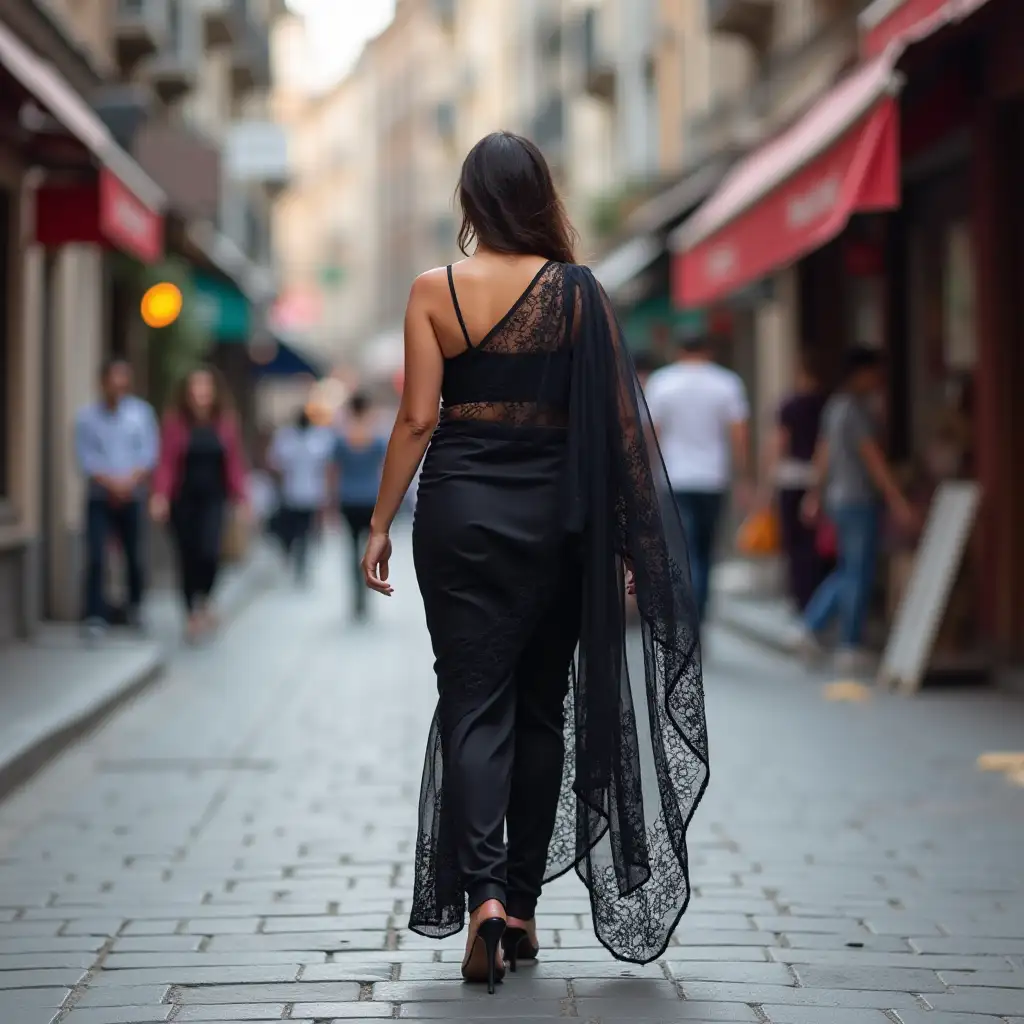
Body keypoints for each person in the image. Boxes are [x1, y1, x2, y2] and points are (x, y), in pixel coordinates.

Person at [359, 131, 707, 989]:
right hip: (562, 522)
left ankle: (479, 896)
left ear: (472, 203)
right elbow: (622, 428)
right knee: (544, 709)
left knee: (472, 700)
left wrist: (376, 524)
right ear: (542, 196)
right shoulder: (583, 295)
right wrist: (630, 542)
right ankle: (519, 907)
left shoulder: (433, 291)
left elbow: (413, 420)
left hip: (461, 517)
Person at [798, 346, 916, 670]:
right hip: (858, 498)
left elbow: (822, 453)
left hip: (838, 497)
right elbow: (873, 459)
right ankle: (849, 643)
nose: (879, 380)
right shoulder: (856, 409)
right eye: (875, 373)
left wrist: (815, 493)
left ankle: (812, 625)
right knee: (858, 571)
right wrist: (897, 499)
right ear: (862, 373)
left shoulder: (835, 406)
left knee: (849, 569)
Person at [644, 333, 752, 625]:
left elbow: (651, 433)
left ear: (679, 350)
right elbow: (739, 435)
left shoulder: (662, 382)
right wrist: (741, 477)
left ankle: (684, 614)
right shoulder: (727, 382)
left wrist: (648, 473)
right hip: (712, 478)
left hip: (674, 478)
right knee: (705, 550)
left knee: (680, 549)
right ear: (708, 350)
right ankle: (698, 613)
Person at [150, 366, 248, 643]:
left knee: (209, 552)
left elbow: (234, 464)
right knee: (186, 557)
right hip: (183, 501)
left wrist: (241, 497)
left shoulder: (225, 423)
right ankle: (191, 612)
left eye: (206, 387)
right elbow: (166, 462)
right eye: (196, 387)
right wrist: (160, 495)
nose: (201, 393)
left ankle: (205, 597)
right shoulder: (175, 423)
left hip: (213, 499)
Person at [75, 358, 159, 641]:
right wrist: (111, 483)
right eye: (113, 379)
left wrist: (128, 482)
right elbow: (86, 459)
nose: (118, 385)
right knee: (96, 555)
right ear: (103, 382)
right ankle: (95, 614)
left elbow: (148, 454)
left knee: (134, 555)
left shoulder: (141, 414)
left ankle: (134, 607)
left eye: (123, 379)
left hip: (132, 496)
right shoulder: (86, 418)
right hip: (100, 497)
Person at [764, 354, 828, 612]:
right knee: (817, 544)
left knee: (794, 543)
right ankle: (815, 596)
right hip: (818, 478)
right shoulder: (826, 404)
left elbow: (779, 442)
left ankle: (801, 599)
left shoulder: (790, 405)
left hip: (791, 477)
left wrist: (767, 482)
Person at [331, 392, 387, 620]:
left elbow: (332, 472)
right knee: (370, 549)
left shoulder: (341, 438)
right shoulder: (377, 438)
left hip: (348, 498)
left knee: (351, 548)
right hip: (371, 499)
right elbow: (385, 471)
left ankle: (356, 594)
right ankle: (367, 589)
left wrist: (330, 501)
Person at [269, 409, 334, 585]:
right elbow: (275, 464)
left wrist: (327, 494)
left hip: (312, 494)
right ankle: (293, 556)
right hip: (290, 494)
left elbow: (327, 466)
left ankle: (302, 564)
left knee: (306, 532)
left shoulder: (320, 438)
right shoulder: (285, 437)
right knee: (291, 531)